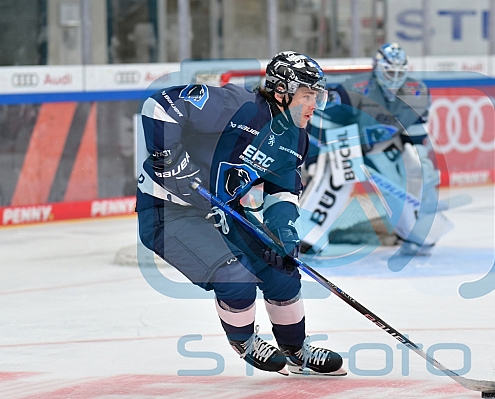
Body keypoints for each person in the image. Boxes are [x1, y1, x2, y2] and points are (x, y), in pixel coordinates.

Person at [135, 51, 345, 376]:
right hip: (167, 210)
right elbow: (161, 105)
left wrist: (285, 234)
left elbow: (282, 190)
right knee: (235, 277)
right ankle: (245, 342)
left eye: (318, 96)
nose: (314, 104)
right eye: (307, 96)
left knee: (282, 269)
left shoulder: (296, 137)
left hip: (222, 210)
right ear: (281, 92)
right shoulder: (235, 105)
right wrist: (170, 159)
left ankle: (296, 350)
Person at [301, 42, 449, 256]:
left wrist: (420, 163)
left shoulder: (418, 93)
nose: (394, 77)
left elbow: (415, 136)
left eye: (399, 71)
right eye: (389, 71)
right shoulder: (354, 88)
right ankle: (307, 235)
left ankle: (415, 231)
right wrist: (317, 158)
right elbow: (321, 121)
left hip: (385, 146)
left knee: (409, 179)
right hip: (346, 141)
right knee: (334, 177)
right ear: (377, 68)